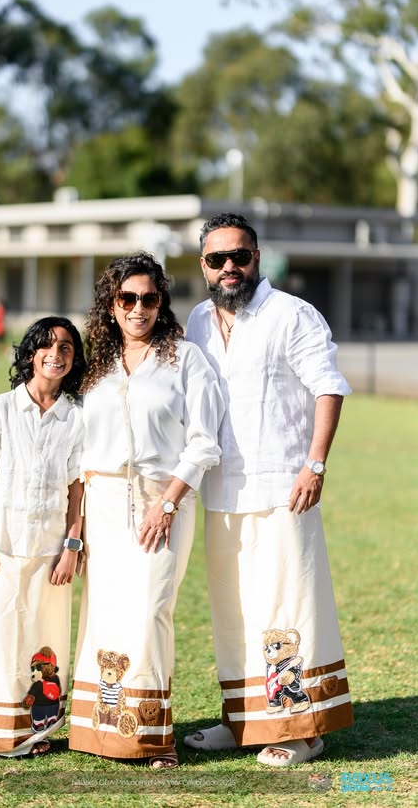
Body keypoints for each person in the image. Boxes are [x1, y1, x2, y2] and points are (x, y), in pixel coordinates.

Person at [184, 212, 354, 767]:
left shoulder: (292, 314)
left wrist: (316, 464)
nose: (229, 267)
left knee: (286, 608)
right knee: (234, 611)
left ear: (257, 258)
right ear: (203, 266)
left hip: (285, 488)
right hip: (221, 492)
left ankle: (301, 730)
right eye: (217, 259)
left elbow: (328, 388)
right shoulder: (197, 322)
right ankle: (241, 721)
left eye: (241, 256)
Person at [68, 252, 224, 769]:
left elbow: (204, 442)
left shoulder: (186, 359)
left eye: (149, 298)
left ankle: (154, 737)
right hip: (104, 505)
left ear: (162, 303)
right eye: (127, 298)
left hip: (163, 500)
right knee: (106, 612)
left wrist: (169, 501)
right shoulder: (96, 366)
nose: (138, 308)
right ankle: (104, 729)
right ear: (111, 305)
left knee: (153, 608)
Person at [0, 316, 86, 760]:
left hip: (51, 550)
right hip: (3, 546)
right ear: (31, 353)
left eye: (67, 347)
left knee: (43, 637)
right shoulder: (3, 407)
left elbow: (77, 489)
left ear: (75, 358)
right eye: (47, 345)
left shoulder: (76, 416)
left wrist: (73, 547)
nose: (56, 354)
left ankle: (36, 732)